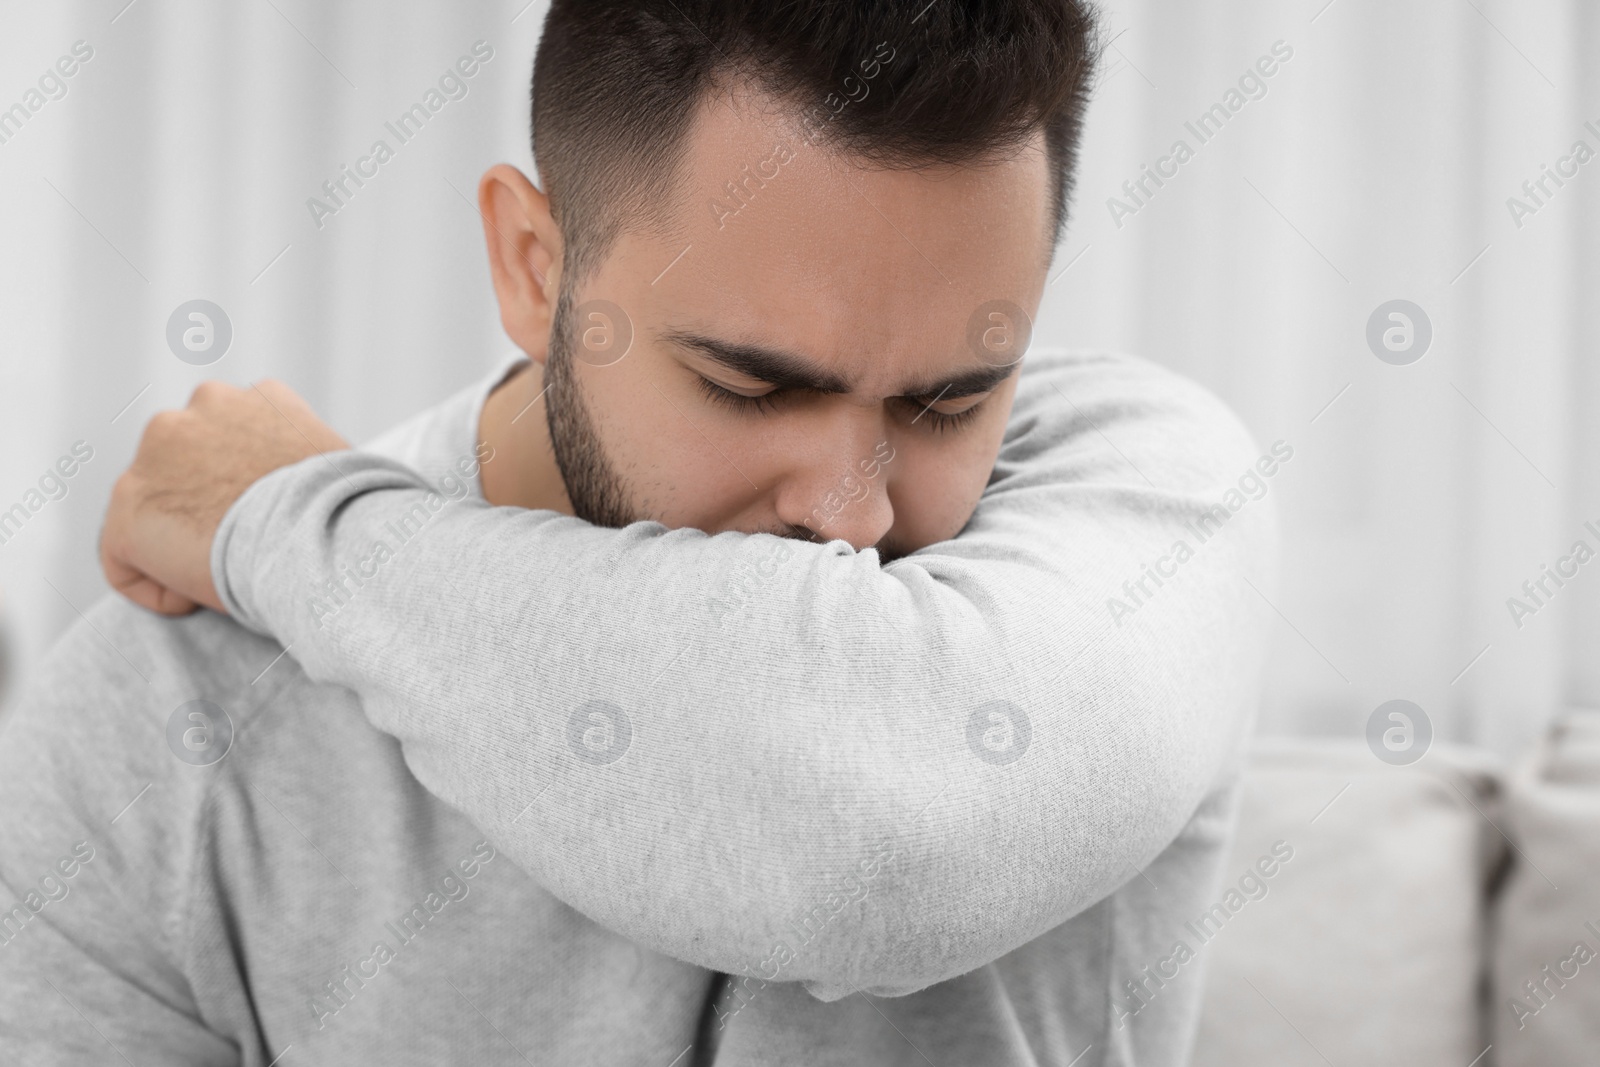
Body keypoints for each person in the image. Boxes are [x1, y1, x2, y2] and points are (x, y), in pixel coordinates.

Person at [2, 1, 1276, 1063]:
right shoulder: (173, 709)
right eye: (751, 384)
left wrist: (301, 526)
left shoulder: (1145, 492)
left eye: (949, 400)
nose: (853, 509)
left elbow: (879, 833)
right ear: (533, 265)